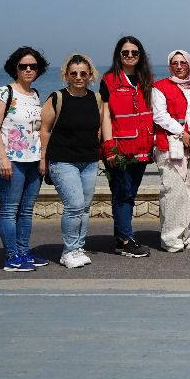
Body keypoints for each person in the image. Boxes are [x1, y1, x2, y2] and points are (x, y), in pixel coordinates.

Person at [39, 53, 112, 268]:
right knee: (74, 206)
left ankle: (79, 247)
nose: (78, 77)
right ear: (66, 75)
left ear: (90, 75)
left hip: (89, 161)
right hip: (63, 161)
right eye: (74, 73)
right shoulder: (57, 98)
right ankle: (69, 251)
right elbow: (44, 130)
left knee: (85, 207)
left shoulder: (96, 98)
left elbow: (97, 128)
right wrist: (43, 159)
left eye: (83, 73)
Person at [0, 46, 49, 271]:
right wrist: (3, 159)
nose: (28, 70)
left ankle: (23, 251)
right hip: (11, 161)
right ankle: (11, 257)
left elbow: (38, 130)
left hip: (33, 161)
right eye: (23, 66)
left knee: (26, 210)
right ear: (15, 67)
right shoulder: (2, 93)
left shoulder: (35, 95)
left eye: (33, 66)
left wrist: (43, 157)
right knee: (9, 210)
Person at [99, 35, 155, 258]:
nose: (130, 56)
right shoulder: (110, 80)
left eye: (134, 52)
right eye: (125, 53)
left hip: (142, 147)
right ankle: (125, 241)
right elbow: (105, 115)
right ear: (119, 56)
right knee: (122, 194)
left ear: (140, 55)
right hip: (119, 149)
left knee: (129, 194)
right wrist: (109, 147)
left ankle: (120, 239)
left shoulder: (147, 79)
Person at [151, 49, 190, 254]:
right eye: (175, 63)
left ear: (189, 65)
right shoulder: (160, 88)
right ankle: (170, 237)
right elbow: (160, 115)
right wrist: (182, 132)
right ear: (170, 66)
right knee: (173, 192)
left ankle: (186, 232)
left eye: (183, 63)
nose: (179, 66)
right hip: (170, 146)